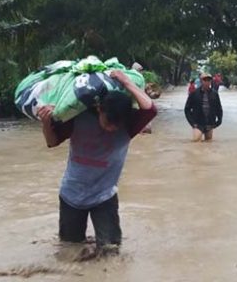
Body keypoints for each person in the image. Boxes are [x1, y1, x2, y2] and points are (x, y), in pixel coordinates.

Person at [38, 70, 156, 256]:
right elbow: (52, 142)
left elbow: (150, 109)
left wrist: (126, 81)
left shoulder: (128, 126)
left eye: (116, 126)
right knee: (70, 251)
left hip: (104, 197)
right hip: (71, 195)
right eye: (109, 123)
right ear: (99, 109)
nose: (112, 129)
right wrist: (46, 123)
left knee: (111, 252)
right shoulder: (77, 118)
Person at [184, 72, 223, 142]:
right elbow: (187, 109)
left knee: (208, 143)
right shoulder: (194, 93)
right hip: (198, 123)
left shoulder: (215, 94)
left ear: (211, 81)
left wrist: (219, 121)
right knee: (196, 141)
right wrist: (192, 123)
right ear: (201, 81)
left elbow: (219, 108)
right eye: (205, 80)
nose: (207, 82)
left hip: (210, 123)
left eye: (209, 80)